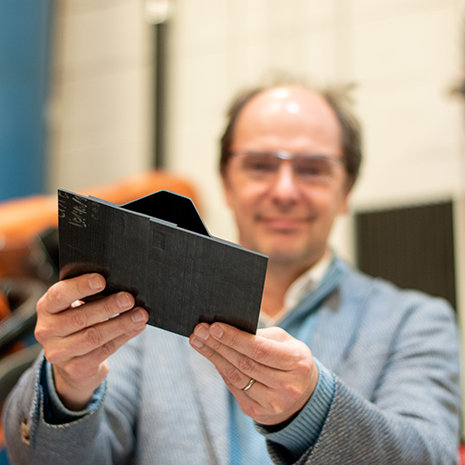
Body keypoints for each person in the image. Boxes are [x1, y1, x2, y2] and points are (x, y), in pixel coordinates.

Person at [2, 82, 461, 464]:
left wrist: (312, 408)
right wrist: (69, 385)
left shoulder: (415, 322)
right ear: (227, 182)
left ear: (346, 191)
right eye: (260, 166)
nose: (284, 191)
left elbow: (433, 456)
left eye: (313, 170)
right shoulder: (140, 309)